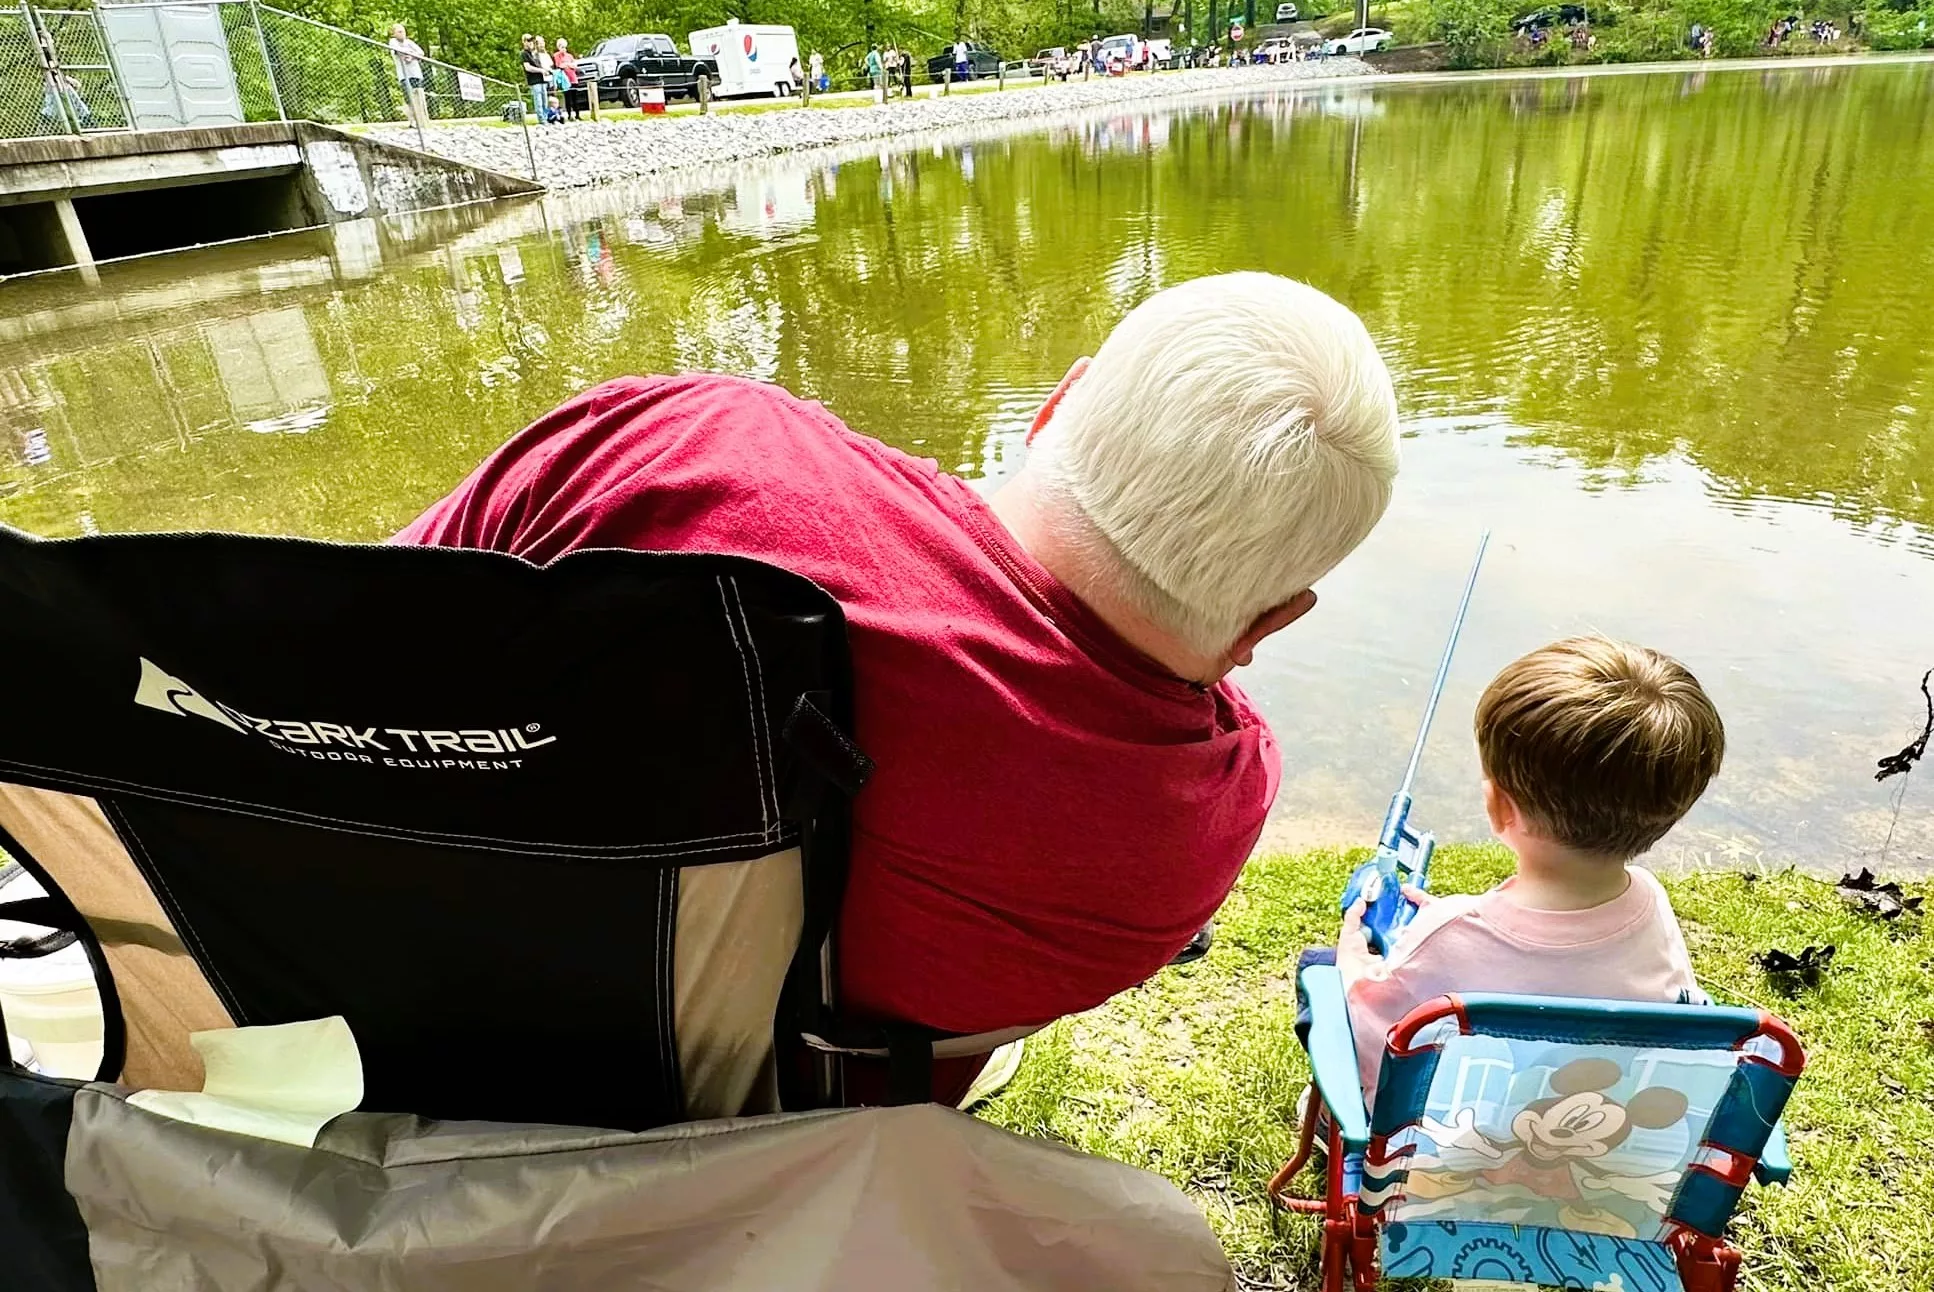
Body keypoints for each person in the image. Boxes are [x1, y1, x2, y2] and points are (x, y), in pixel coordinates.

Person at [396, 272, 1400, 1113]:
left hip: (460, 1049)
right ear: (1275, 618)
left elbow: (328, 647)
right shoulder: (1206, 815)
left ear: (1056, 402)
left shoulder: (684, 447)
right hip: (806, 1124)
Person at [1333, 637, 1723, 1101]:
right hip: (1603, 1151)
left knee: (1320, 975)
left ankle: (1322, 1124)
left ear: (1499, 807)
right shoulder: (1651, 902)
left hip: (1446, 1161)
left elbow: (1369, 1037)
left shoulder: (1447, 933)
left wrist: (1352, 959)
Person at [388, 23, 429, 135]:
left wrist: (412, 56)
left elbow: (421, 52)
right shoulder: (393, 42)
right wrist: (408, 53)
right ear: (394, 33)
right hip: (404, 75)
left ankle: (422, 120)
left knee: (419, 96)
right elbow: (397, 51)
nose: (403, 34)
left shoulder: (409, 42)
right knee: (409, 99)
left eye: (403, 31)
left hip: (415, 74)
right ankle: (412, 121)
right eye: (400, 32)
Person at [553, 37, 583, 121]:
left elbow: (574, 65)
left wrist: (567, 64)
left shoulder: (569, 56)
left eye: (565, 47)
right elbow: (559, 65)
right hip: (565, 79)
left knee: (575, 97)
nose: (564, 49)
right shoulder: (556, 55)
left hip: (573, 78)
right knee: (568, 97)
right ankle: (569, 114)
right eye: (562, 47)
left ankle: (577, 114)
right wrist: (568, 64)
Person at [520, 34, 546, 122]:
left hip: (543, 79)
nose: (530, 42)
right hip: (534, 81)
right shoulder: (524, 54)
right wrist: (540, 70)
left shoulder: (535, 53)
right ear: (524, 42)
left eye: (531, 40)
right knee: (538, 101)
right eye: (528, 40)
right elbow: (528, 67)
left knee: (544, 101)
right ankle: (541, 119)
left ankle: (546, 118)